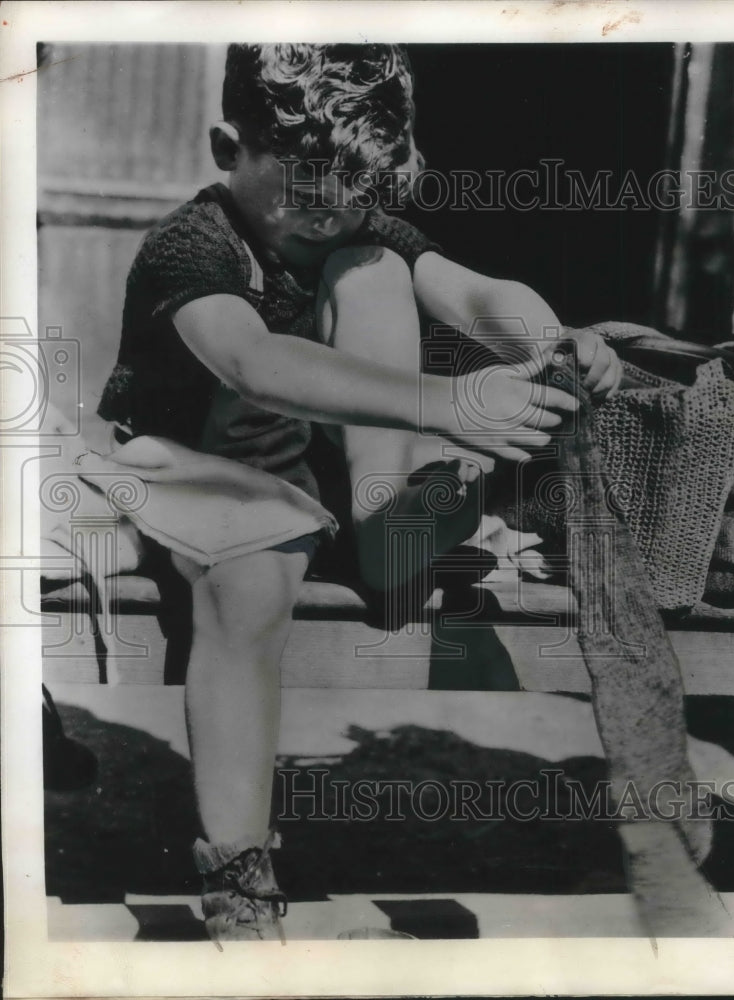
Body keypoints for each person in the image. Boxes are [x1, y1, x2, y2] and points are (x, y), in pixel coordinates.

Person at [97, 43, 621, 942]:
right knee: (254, 564)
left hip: (326, 482)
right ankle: (239, 871)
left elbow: (473, 293)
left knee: (376, 271)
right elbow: (251, 362)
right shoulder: (189, 244)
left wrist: (553, 339)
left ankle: (392, 524)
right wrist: (446, 402)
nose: (333, 212)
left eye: (357, 192)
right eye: (309, 188)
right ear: (229, 150)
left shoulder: (351, 223)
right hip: (185, 469)